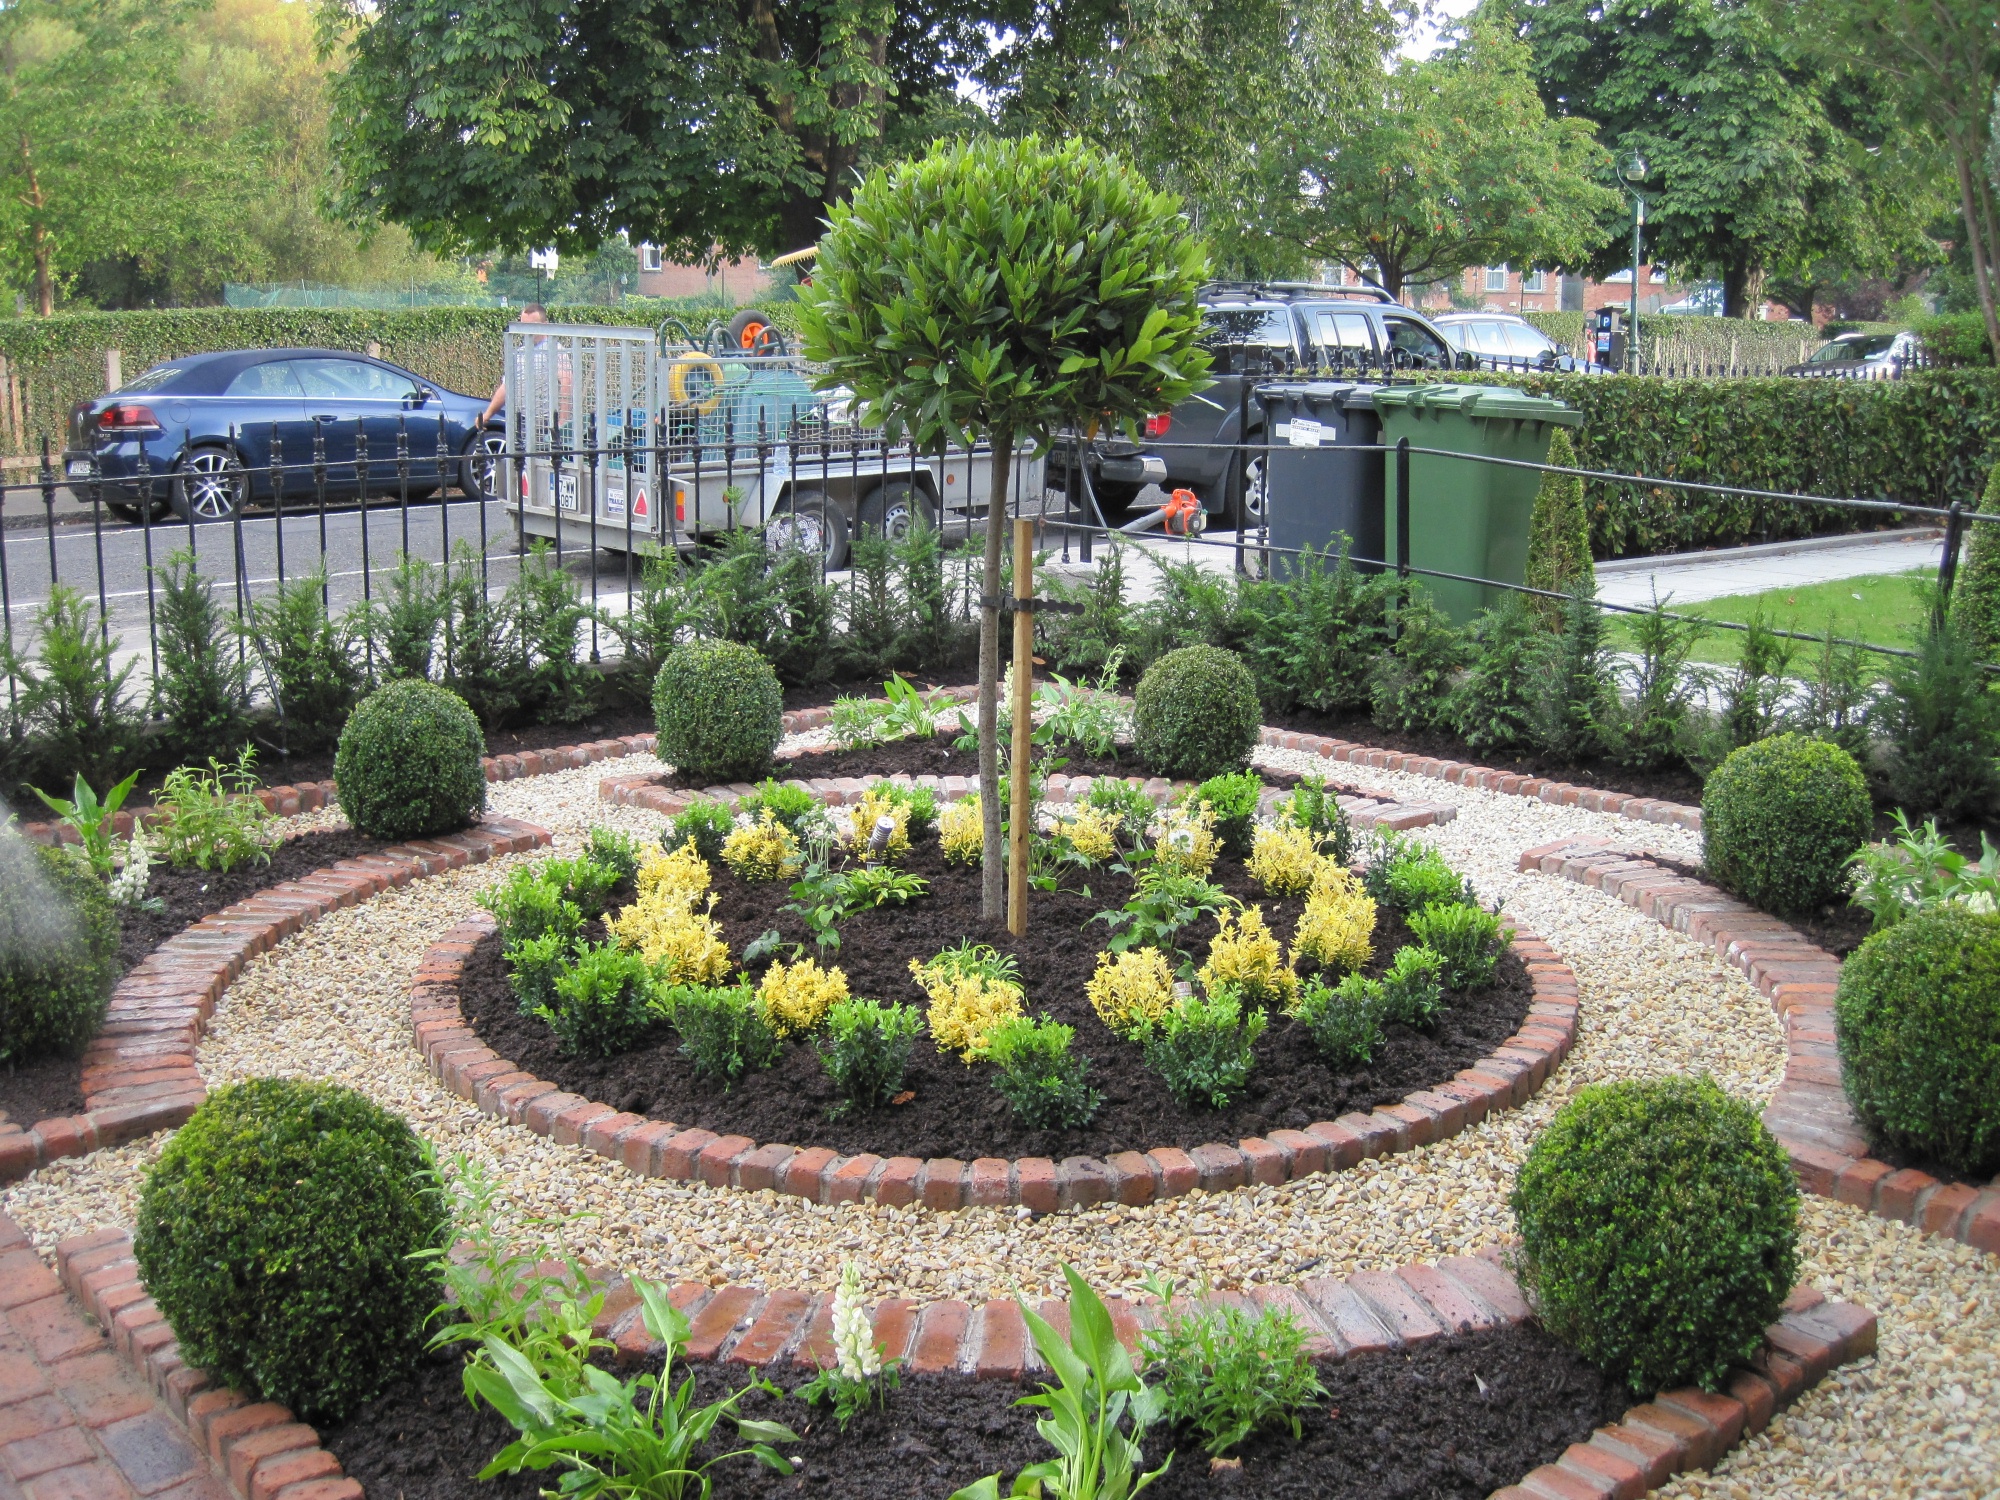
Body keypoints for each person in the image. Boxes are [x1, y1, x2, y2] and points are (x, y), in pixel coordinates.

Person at [479, 303, 547, 425]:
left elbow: (566, 384)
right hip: (521, 421)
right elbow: (507, 386)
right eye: (523, 326)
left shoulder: (555, 351)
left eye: (531, 326)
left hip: (546, 422)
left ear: (545, 325)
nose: (527, 332)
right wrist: (487, 414)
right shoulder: (520, 353)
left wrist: (561, 422)